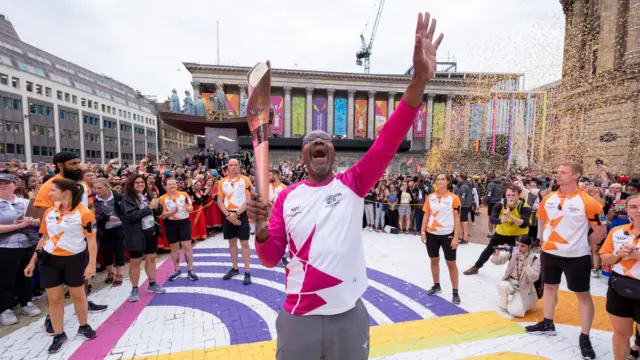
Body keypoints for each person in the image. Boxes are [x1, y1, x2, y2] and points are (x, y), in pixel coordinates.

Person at [246, 12, 443, 359]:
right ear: (303, 157)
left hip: (348, 318)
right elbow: (269, 257)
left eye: (324, 140)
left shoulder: (353, 184)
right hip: (298, 317)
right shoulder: (285, 199)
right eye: (310, 142)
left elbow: (389, 138)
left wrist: (419, 83)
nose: (318, 143)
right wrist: (259, 230)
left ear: (334, 154)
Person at [525, 162, 607, 360]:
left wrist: (582, 244)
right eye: (558, 171)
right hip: (550, 254)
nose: (558, 175)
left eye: (563, 172)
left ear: (576, 175)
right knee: (550, 287)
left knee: (583, 295)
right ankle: (547, 322)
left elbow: (601, 230)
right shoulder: (548, 199)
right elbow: (542, 223)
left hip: (576, 257)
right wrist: (544, 244)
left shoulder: (589, 202)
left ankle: (585, 336)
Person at [33, 151, 107, 335]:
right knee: (55, 292)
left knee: (81, 281)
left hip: (81, 237)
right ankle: (51, 319)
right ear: (60, 165)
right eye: (73, 163)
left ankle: (83, 303)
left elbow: (90, 206)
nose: (78, 167)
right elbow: (45, 217)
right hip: (57, 244)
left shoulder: (82, 183)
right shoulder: (49, 186)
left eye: (78, 162)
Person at [24, 178, 98, 353]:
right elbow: (43, 238)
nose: (49, 193)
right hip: (50, 260)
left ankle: (83, 325)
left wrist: (91, 264)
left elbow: (92, 240)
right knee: (55, 300)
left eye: (53, 190)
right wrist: (32, 261)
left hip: (75, 260)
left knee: (78, 296)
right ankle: (59, 334)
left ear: (66, 192)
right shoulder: (50, 212)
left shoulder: (84, 213)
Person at [599, 194, 640, 360]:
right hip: (620, 287)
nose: (638, 211)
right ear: (627, 210)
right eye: (634, 207)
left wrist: (637, 255)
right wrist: (618, 254)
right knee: (621, 333)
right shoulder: (617, 231)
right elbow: (604, 258)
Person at [0, 173, 41, 326]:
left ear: (14, 185)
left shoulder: (25, 202)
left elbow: (39, 220)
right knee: (5, 278)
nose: (3, 186)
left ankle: (27, 302)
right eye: (0, 183)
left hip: (26, 244)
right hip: (5, 247)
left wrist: (31, 221)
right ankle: (5, 309)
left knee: (26, 276)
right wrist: (19, 226)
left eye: (7, 183)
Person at [464, 184, 532, 275]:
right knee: (489, 249)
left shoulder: (525, 207)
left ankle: (520, 274)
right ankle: (476, 267)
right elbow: (492, 219)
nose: (510, 197)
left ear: (519, 195)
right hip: (502, 233)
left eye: (513, 195)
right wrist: (501, 220)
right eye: (508, 195)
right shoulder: (500, 205)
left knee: (518, 253)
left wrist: (510, 216)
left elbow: (524, 224)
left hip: (518, 236)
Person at [120, 175, 166, 302]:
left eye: (142, 182)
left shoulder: (149, 196)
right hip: (135, 234)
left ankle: (152, 283)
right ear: (131, 185)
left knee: (151, 258)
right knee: (135, 262)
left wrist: (157, 207)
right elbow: (131, 216)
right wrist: (149, 208)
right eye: (137, 182)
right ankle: (135, 288)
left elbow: (158, 211)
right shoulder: (127, 200)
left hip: (150, 231)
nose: (140, 184)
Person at [420, 173, 461, 304]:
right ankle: (436, 284)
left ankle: (455, 291)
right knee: (434, 260)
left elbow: (457, 218)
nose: (440, 181)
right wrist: (422, 232)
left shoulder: (454, 198)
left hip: (447, 234)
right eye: (438, 179)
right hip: (431, 233)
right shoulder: (430, 197)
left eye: (443, 179)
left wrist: (456, 237)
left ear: (448, 182)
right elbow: (426, 215)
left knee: (451, 263)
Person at [217, 158, 252, 285]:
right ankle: (235, 268)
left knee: (244, 243)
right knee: (232, 242)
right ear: (228, 167)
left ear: (239, 166)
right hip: (228, 215)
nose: (233, 167)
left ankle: (247, 271)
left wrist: (236, 214)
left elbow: (248, 200)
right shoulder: (222, 182)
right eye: (231, 165)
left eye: (235, 165)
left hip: (241, 214)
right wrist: (228, 214)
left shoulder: (245, 180)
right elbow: (220, 201)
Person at [491, 235, 541, 317]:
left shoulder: (535, 259)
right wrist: (497, 253)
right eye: (517, 245)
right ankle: (505, 302)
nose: (519, 248)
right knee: (503, 285)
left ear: (530, 246)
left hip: (524, 288)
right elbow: (497, 261)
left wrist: (526, 263)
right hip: (511, 282)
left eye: (523, 246)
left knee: (515, 312)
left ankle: (518, 302)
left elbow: (534, 277)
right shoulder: (514, 252)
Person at [159, 177, 198, 281]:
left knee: (187, 247)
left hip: (184, 223)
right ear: (165, 186)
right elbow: (162, 214)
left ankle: (190, 270)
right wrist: (173, 211)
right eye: (170, 184)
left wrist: (188, 208)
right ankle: (177, 270)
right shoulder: (162, 198)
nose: (173, 186)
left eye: (174, 184)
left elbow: (191, 207)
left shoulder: (184, 195)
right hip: (170, 224)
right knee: (174, 248)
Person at [93, 178, 125, 286]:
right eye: (95, 188)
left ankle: (119, 274)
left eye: (99, 188)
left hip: (118, 226)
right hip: (103, 229)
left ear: (107, 187)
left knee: (119, 250)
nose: (97, 190)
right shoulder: (94, 199)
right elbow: (95, 215)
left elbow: (123, 209)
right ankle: (110, 272)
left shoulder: (117, 196)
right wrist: (107, 218)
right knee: (106, 251)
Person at [455, 174, 473, 244]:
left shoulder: (463, 187)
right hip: (467, 205)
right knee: (462, 221)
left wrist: (459, 206)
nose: (457, 179)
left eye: (458, 177)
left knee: (463, 222)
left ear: (461, 178)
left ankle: (464, 238)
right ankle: (461, 236)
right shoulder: (468, 185)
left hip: (463, 206)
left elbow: (462, 198)